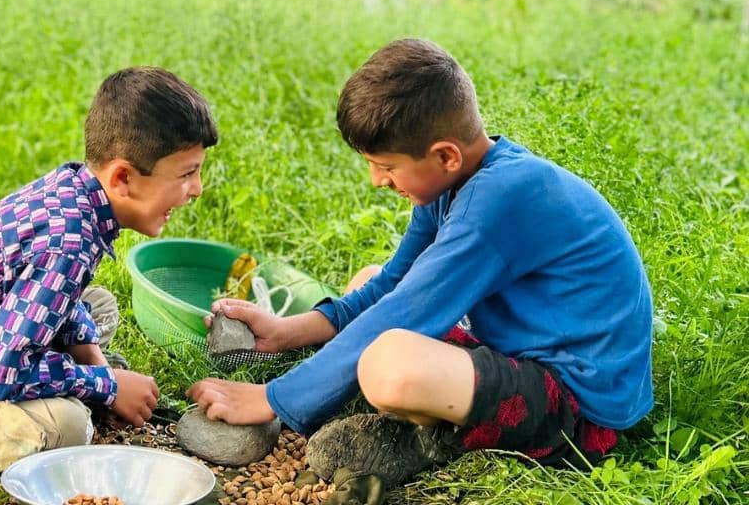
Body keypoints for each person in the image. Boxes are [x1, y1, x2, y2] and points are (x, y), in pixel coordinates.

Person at [188, 39, 652, 480]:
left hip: (578, 405)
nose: (376, 180)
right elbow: (392, 285)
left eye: (386, 166)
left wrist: (272, 398)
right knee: (368, 280)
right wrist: (289, 332)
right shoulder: (457, 182)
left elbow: (404, 312)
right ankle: (432, 416)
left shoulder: (498, 202)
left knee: (388, 365)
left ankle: (429, 444)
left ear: (445, 155)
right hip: (525, 351)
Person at [0, 67, 218, 470]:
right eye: (187, 174)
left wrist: (95, 365)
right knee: (68, 427)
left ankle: (62, 378)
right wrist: (107, 385)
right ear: (122, 178)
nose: (197, 189)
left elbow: (65, 299)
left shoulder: (76, 191)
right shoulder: (69, 242)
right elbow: (1, 372)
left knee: (99, 306)